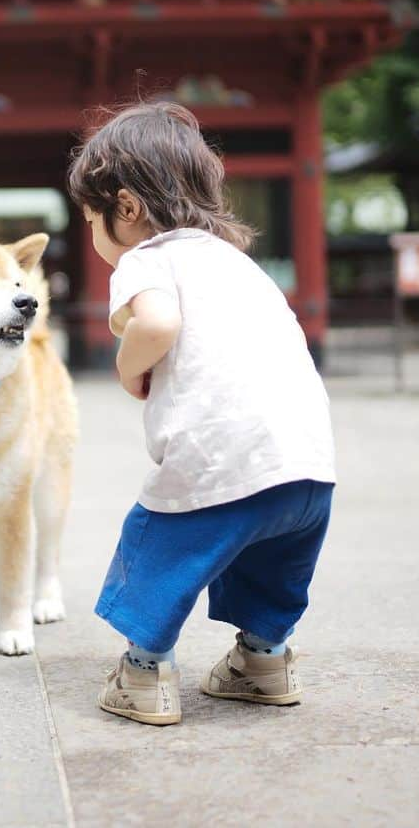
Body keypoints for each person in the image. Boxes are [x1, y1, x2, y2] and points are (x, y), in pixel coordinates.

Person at [66, 101, 336, 726]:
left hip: (223, 457)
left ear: (126, 207)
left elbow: (158, 323)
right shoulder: (239, 264)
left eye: (91, 218)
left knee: (162, 545)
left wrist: (127, 363)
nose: (95, 234)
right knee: (271, 566)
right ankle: (263, 663)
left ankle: (143, 672)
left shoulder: (147, 259)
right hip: (308, 464)